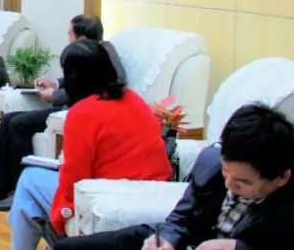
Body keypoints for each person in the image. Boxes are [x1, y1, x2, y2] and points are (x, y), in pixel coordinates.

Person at [55, 103, 294, 250]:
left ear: (281, 178)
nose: (229, 183)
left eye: (243, 182)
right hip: (189, 243)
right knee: (121, 240)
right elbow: (182, 218)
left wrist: (236, 247)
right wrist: (168, 240)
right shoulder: (210, 162)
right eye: (225, 170)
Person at [7, 39, 172, 250]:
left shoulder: (82, 113)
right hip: (153, 196)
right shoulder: (135, 99)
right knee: (32, 197)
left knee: (29, 180)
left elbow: (75, 179)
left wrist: (62, 215)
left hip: (105, 198)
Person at [0, 14, 107, 211]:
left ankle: (19, 191)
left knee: (19, 124)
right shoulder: (88, 53)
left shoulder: (101, 57)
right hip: (65, 108)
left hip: (74, 112)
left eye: (70, 34)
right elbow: (76, 80)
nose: (67, 37)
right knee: (8, 119)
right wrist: (55, 83)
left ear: (83, 38)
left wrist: (54, 95)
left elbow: (87, 88)